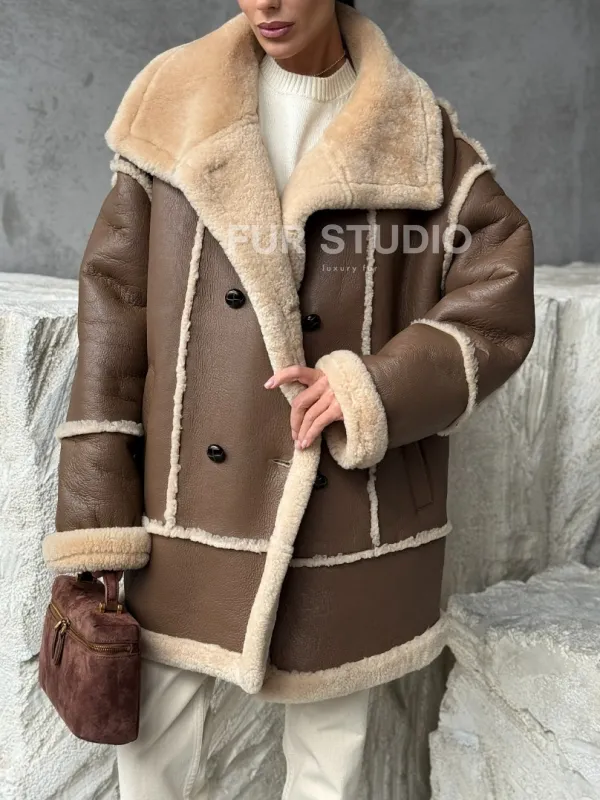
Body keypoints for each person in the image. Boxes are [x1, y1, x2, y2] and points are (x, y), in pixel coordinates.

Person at [41, 0, 536, 797]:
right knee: (151, 759)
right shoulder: (173, 106)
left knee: (328, 766)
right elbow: (114, 311)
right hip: (182, 508)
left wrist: (373, 386)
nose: (264, 5)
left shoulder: (415, 131)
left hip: (344, 512)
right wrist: (96, 513)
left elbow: (498, 296)